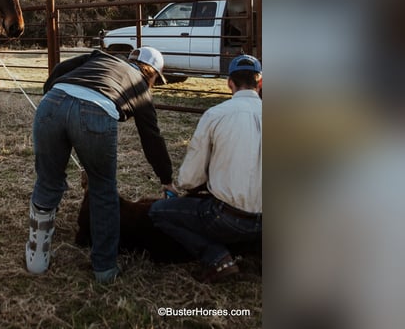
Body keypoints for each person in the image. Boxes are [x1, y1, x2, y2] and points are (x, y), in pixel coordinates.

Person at [26, 47, 175, 283]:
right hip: (96, 111)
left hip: (52, 103)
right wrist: (166, 178)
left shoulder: (102, 57)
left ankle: (36, 260)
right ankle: (104, 268)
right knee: (103, 189)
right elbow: (151, 138)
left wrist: (50, 95)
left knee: (47, 182)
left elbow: (60, 69)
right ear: (152, 74)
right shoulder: (141, 89)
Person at [148, 54, 262, 282]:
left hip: (227, 218)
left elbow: (189, 179)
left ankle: (217, 257)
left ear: (229, 82)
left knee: (159, 212)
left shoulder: (216, 115)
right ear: (260, 83)